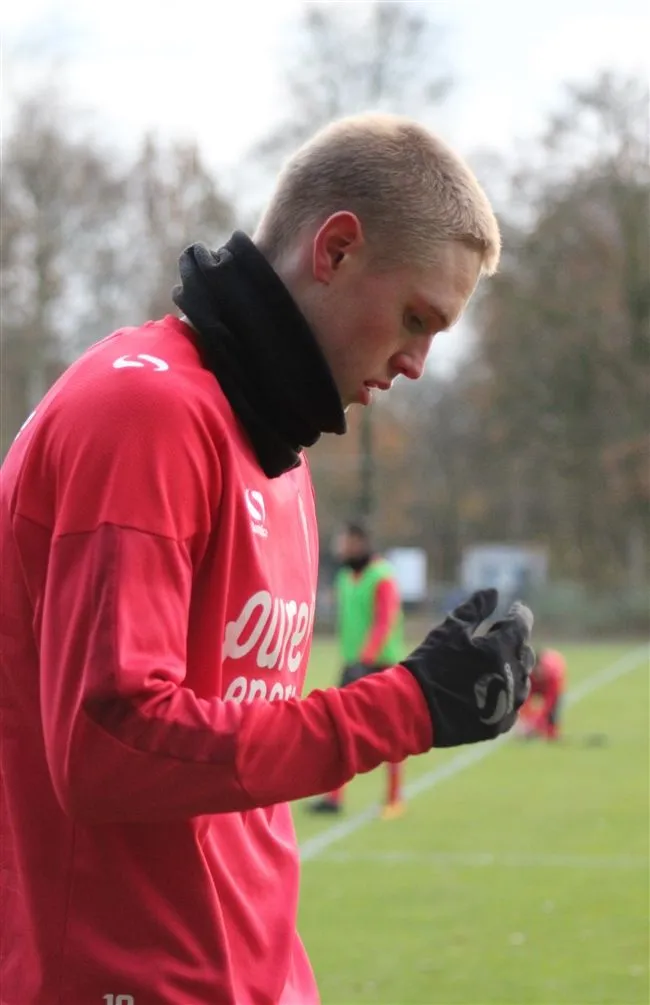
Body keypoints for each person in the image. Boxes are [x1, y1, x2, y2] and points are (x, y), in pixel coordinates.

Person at [0, 113, 536, 1005]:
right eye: (415, 318)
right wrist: (402, 705)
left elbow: (240, 774)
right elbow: (107, 748)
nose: (416, 363)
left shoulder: (276, 450)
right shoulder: (142, 413)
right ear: (336, 249)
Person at [310, 521, 407, 819]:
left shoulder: (382, 576)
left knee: (391, 732)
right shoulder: (344, 577)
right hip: (352, 663)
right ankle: (334, 797)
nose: (342, 549)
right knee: (339, 730)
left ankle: (394, 798)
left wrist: (366, 658)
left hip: (379, 664)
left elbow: (384, 621)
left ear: (360, 543)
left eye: (346, 543)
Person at [518, 648, 566, 740]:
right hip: (536, 684)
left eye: (537, 671)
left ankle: (551, 732)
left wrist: (535, 723)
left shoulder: (553, 674)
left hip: (551, 684)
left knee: (552, 712)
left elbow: (549, 703)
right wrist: (524, 721)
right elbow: (524, 701)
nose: (536, 674)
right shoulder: (528, 675)